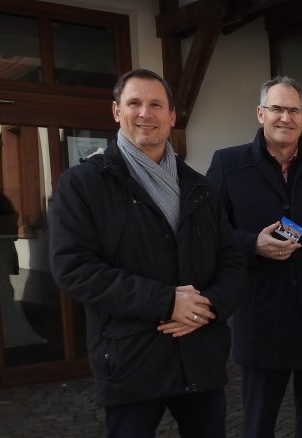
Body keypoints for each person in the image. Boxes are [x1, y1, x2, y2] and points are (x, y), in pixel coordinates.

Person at [48, 68, 245, 438]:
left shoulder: (200, 187)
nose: (145, 113)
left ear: (171, 116)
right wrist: (166, 302)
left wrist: (207, 307)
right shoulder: (84, 184)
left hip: (199, 350)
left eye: (156, 105)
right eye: (134, 103)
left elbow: (232, 259)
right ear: (116, 111)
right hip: (131, 358)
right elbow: (73, 267)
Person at [206, 76, 302, 438]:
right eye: (277, 109)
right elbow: (207, 232)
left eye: (293, 110)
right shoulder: (228, 164)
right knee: (258, 423)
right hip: (261, 315)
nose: (285, 117)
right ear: (261, 113)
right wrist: (252, 244)